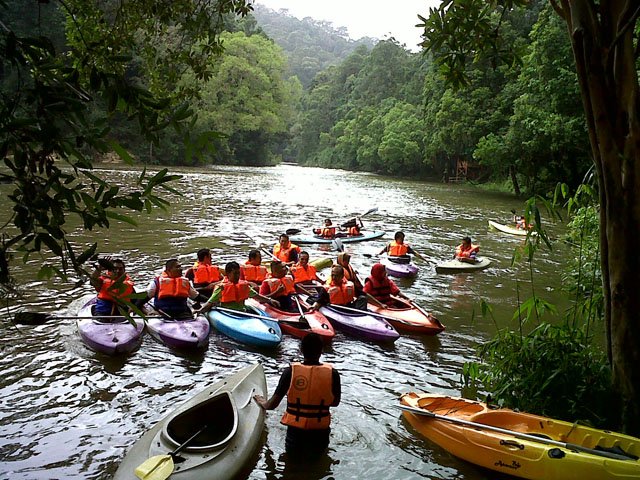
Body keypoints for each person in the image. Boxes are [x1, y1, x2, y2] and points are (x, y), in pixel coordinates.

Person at [254, 333, 341, 456]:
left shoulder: (290, 372)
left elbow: (272, 405)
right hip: (320, 434)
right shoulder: (333, 374)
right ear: (321, 351)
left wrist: (262, 402)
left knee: (291, 463)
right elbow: (335, 402)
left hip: (296, 435)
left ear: (301, 349)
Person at [197, 261, 279, 313]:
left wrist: (270, 300)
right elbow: (210, 303)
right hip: (227, 313)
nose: (237, 276)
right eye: (235, 274)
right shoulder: (221, 287)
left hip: (242, 311)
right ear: (228, 274)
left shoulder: (244, 286)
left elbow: (257, 297)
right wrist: (200, 311)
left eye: (238, 273)